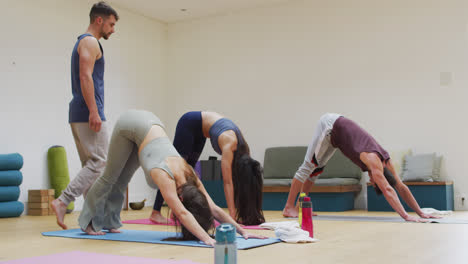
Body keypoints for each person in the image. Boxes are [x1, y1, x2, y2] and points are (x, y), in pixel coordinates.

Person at [78, 110, 264, 245]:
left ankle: (110, 222)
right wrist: (207, 239)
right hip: (132, 123)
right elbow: (183, 213)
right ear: (181, 199)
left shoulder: (190, 174)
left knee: (123, 178)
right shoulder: (164, 175)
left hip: (152, 125)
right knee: (110, 176)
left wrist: (242, 231)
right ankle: (87, 222)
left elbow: (213, 208)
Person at [282, 113, 440, 222]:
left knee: (316, 171)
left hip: (334, 138)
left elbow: (400, 186)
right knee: (307, 167)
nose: (371, 179)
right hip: (329, 125)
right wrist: (406, 216)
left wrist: (421, 213)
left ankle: (300, 208)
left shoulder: (387, 163)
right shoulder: (374, 162)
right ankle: (289, 208)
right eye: (374, 181)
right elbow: (388, 190)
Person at [51, 1, 119, 229]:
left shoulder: (85, 42)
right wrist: (94, 111)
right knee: (100, 163)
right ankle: (63, 201)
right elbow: (85, 77)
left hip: (78, 112)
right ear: (99, 20)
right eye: (110, 24)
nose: (112, 29)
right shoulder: (89, 42)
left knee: (91, 168)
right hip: (87, 112)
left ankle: (91, 222)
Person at [150, 111, 264, 225]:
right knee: (174, 168)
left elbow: (244, 184)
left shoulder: (245, 154)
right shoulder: (230, 145)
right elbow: (228, 182)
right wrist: (232, 216)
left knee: (189, 172)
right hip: (189, 123)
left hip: (201, 132)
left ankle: (177, 211)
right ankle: (156, 212)